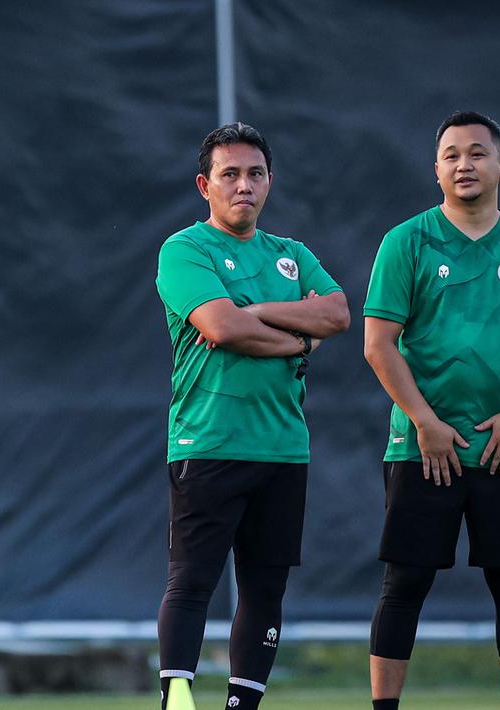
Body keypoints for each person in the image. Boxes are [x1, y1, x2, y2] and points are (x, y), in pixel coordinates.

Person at [363, 111, 500, 710]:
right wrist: (426, 423)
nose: (465, 164)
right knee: (404, 583)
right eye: (452, 155)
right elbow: (378, 345)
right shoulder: (406, 241)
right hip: (422, 448)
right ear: (436, 170)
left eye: (478, 153)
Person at [154, 123, 350, 710]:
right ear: (204, 185)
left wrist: (257, 309)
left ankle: (242, 707)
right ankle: (177, 699)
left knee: (266, 590)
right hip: (208, 442)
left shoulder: (293, 255)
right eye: (230, 174)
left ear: (269, 183)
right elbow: (220, 326)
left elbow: (339, 314)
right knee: (193, 582)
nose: (245, 185)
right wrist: (298, 335)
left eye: (256, 174)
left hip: (283, 448)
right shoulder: (185, 249)